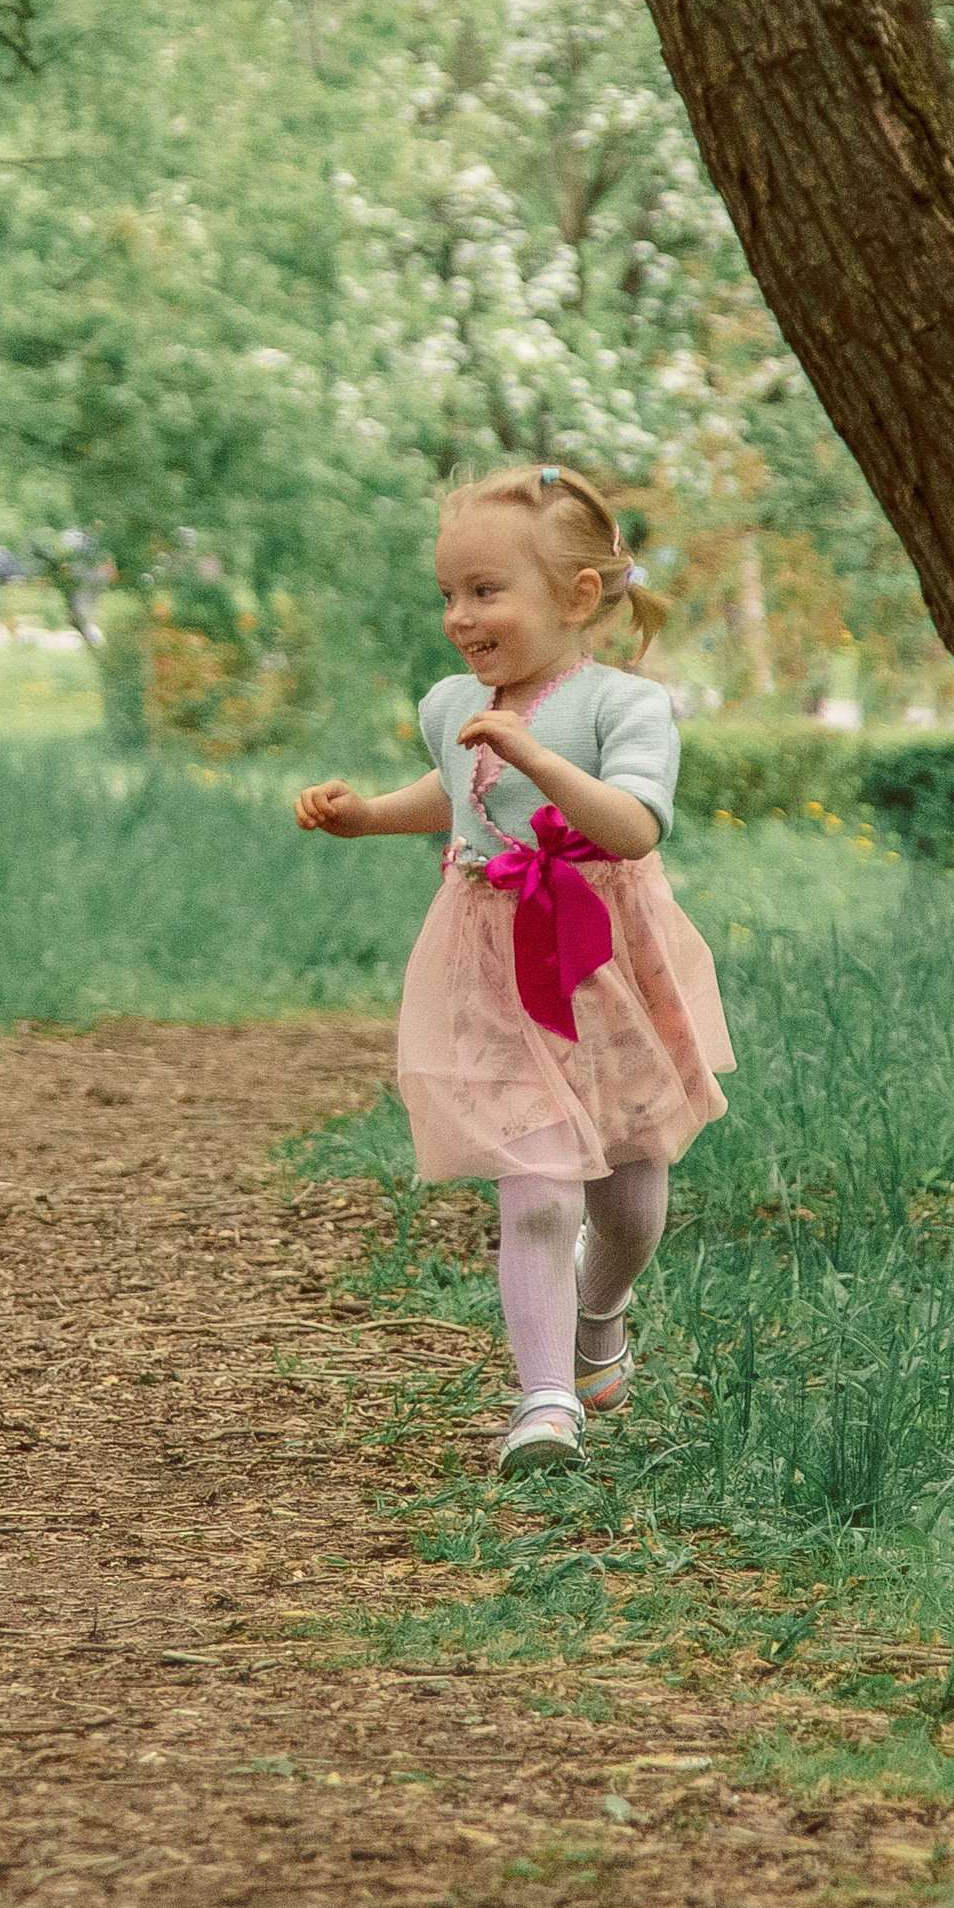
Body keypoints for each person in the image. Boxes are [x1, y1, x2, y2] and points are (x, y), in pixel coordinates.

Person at [294, 461, 730, 1470]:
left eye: (485, 591)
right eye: (447, 593)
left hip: (604, 962)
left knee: (626, 1199)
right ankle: (544, 1405)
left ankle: (600, 1309)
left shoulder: (626, 704)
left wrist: (536, 755)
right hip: (492, 966)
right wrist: (366, 816)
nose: (458, 615)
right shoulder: (454, 703)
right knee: (535, 1187)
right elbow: (454, 794)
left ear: (578, 597)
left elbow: (629, 826)